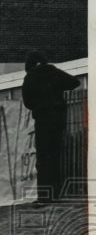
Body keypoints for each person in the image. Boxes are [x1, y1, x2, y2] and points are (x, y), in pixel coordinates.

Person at [21, 50, 81, 204]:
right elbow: (75, 82)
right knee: (55, 155)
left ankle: (45, 197)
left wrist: (39, 104)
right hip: (58, 118)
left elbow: (27, 102)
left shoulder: (31, 77)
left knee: (43, 158)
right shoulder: (54, 72)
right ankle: (57, 193)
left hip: (43, 119)